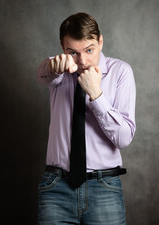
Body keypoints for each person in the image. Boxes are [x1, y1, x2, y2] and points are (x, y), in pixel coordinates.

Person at [37, 12, 136, 225]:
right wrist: (55, 65)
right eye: (73, 52)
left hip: (105, 187)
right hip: (56, 187)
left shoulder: (121, 72)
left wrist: (96, 95)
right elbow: (43, 73)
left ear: (100, 41)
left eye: (89, 50)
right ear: (63, 48)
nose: (82, 61)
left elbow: (124, 138)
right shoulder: (59, 70)